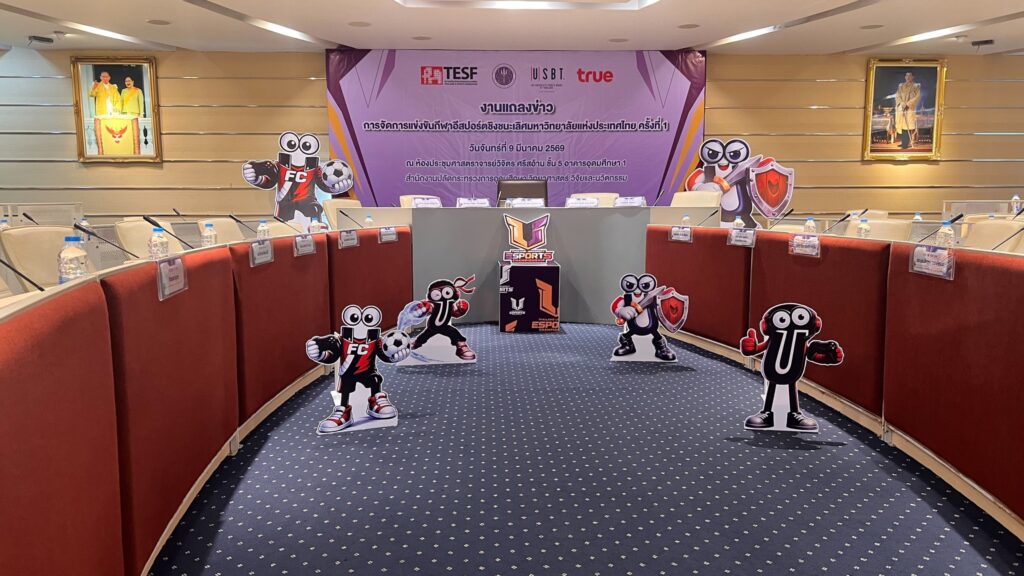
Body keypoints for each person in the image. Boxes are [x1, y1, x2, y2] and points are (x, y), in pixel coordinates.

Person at [895, 71, 921, 149]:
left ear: (913, 77)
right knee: (901, 125)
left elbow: (917, 97)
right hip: (901, 107)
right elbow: (897, 95)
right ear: (905, 77)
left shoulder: (916, 86)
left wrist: (908, 104)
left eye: (910, 76)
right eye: (906, 76)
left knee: (907, 126)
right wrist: (902, 103)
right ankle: (903, 142)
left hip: (909, 108)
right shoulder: (901, 85)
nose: (908, 77)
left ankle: (905, 144)